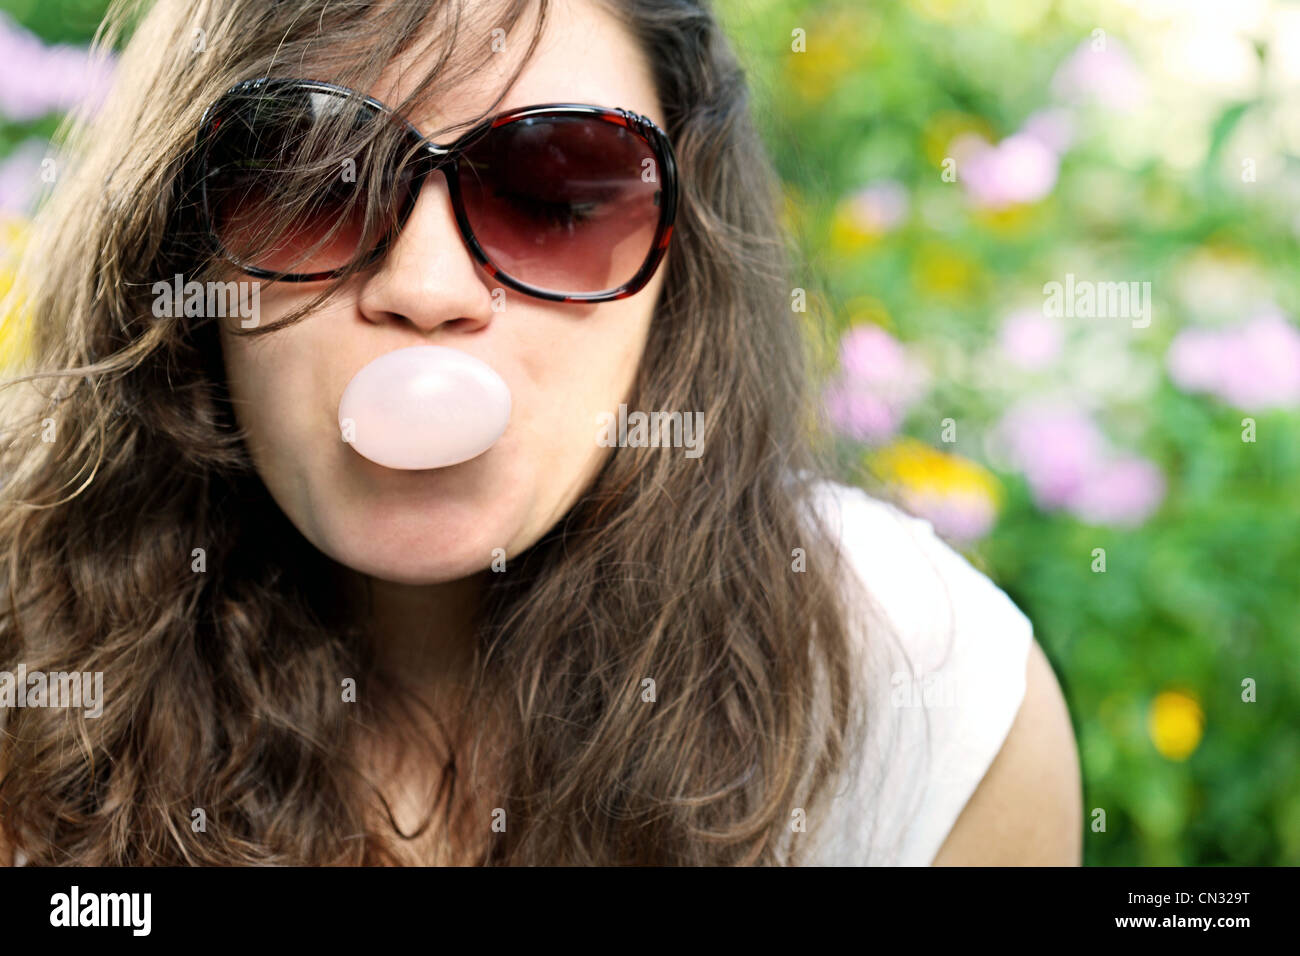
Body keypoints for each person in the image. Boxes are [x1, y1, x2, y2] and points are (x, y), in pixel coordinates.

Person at [0, 0, 1080, 866]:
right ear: (186, 243)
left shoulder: (925, 701)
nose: (427, 288)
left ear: (683, 255)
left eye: (558, 195)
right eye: (311, 182)